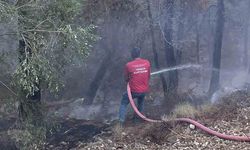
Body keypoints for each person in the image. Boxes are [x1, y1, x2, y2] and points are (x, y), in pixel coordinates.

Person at [118, 47, 151, 126]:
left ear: (132, 55)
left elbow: (126, 79)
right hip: (144, 90)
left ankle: (120, 122)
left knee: (124, 102)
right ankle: (137, 121)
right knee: (141, 102)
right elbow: (148, 76)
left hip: (133, 91)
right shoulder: (147, 62)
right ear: (140, 54)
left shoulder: (128, 65)